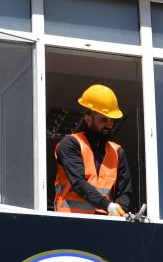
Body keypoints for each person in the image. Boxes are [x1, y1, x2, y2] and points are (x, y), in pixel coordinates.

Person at [54, 84, 134, 217]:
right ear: (88, 118)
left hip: (104, 226)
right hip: (70, 223)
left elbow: (125, 193)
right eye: (104, 119)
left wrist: (119, 211)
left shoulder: (117, 152)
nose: (109, 124)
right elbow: (79, 183)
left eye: (112, 120)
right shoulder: (70, 144)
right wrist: (108, 205)